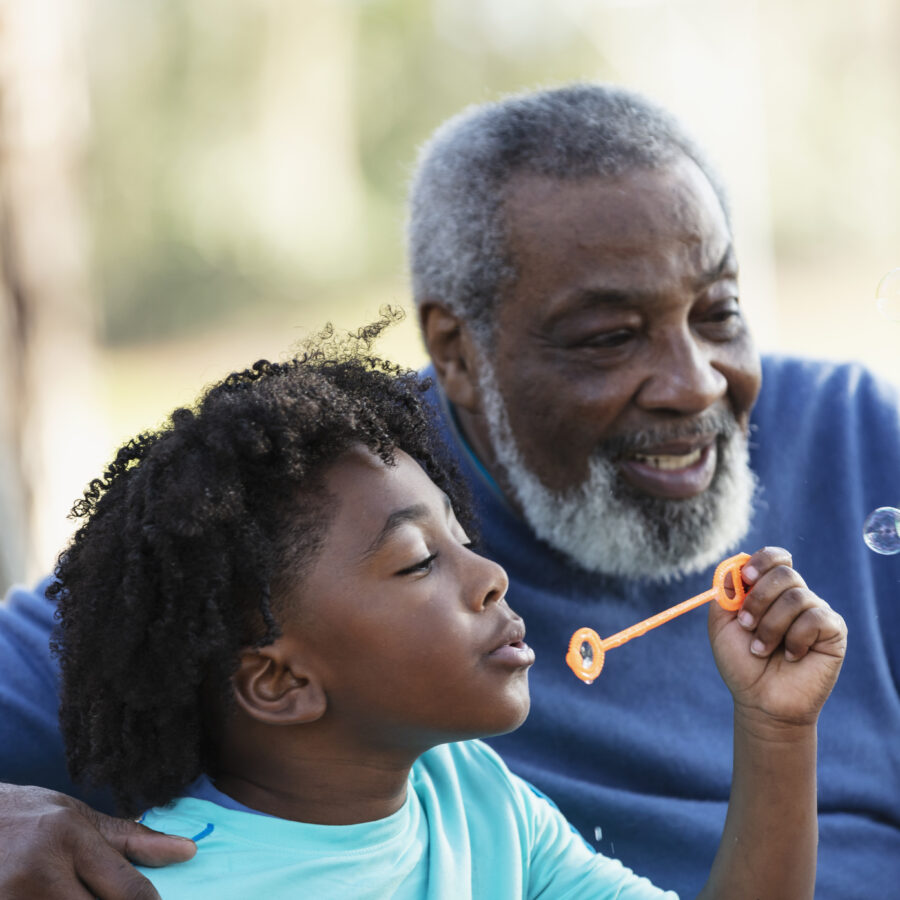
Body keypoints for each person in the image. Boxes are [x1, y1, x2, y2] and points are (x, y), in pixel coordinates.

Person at [0, 82, 897, 898]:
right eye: (606, 336)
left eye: (718, 314)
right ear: (458, 353)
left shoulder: (477, 801)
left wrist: (778, 736)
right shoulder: (301, 512)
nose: (694, 382)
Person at [48, 314, 844, 899]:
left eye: (463, 538)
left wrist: (777, 727)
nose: (489, 575)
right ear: (279, 683)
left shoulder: (470, 798)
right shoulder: (169, 887)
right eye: (420, 560)